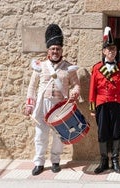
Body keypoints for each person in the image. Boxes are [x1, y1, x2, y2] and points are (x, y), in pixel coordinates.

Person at [24, 24, 80, 176]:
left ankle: (55, 161)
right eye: (52, 48)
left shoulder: (69, 68)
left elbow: (76, 85)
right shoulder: (40, 66)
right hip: (43, 104)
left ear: (62, 50)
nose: (55, 51)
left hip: (59, 105)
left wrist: (75, 92)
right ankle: (39, 163)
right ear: (48, 50)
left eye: (58, 49)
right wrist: (29, 105)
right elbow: (32, 87)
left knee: (58, 135)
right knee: (40, 134)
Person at [89, 26, 120, 174]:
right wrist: (92, 108)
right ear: (104, 51)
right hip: (102, 105)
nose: (112, 52)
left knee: (116, 132)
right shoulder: (97, 68)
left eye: (114, 49)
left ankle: (116, 161)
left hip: (117, 104)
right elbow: (93, 89)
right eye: (109, 49)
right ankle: (103, 161)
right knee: (102, 133)